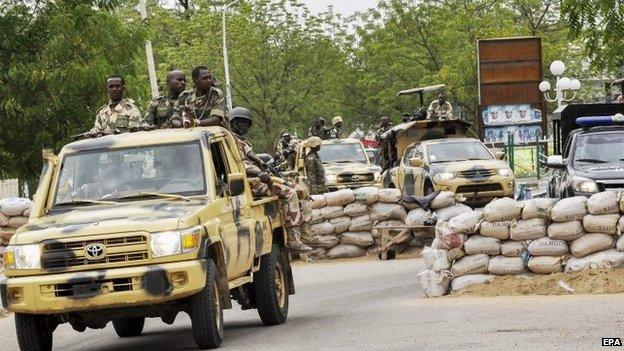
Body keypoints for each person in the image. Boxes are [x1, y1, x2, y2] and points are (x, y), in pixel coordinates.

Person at [229, 107, 312, 251]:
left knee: (301, 190)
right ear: (234, 122)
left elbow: (256, 161)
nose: (245, 126)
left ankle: (305, 232)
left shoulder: (244, 142)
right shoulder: (231, 141)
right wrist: (260, 174)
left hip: (260, 177)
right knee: (289, 193)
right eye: (242, 123)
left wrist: (268, 170)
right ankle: (293, 238)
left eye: (247, 124)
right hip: (249, 181)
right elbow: (241, 166)